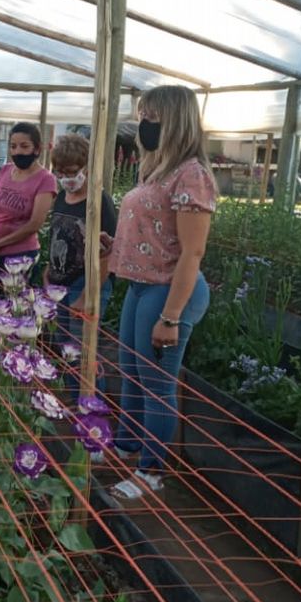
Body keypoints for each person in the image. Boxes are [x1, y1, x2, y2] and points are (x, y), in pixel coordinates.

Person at [108, 85, 216, 494]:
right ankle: (127, 447)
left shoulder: (192, 174)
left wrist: (171, 316)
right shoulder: (155, 168)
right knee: (131, 373)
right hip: (140, 285)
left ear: (174, 120)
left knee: (156, 384)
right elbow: (151, 230)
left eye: (152, 117)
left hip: (168, 290)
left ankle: (150, 473)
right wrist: (115, 245)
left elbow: (193, 252)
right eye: (142, 116)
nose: (143, 124)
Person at [46, 133, 117, 393]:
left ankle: (91, 403)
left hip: (84, 284)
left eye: (72, 171)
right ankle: (73, 401)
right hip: (60, 282)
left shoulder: (98, 202)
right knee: (64, 345)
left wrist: (88, 294)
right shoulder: (63, 197)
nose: (66, 178)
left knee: (82, 351)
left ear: (87, 168)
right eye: (60, 172)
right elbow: (57, 235)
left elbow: (109, 254)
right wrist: (49, 269)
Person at [0, 121, 57, 280]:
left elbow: (35, 224)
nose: (18, 151)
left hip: (20, 256)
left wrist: (0, 243)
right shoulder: (5, 171)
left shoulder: (45, 179)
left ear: (36, 148)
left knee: (12, 301)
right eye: (13, 146)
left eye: (24, 146)